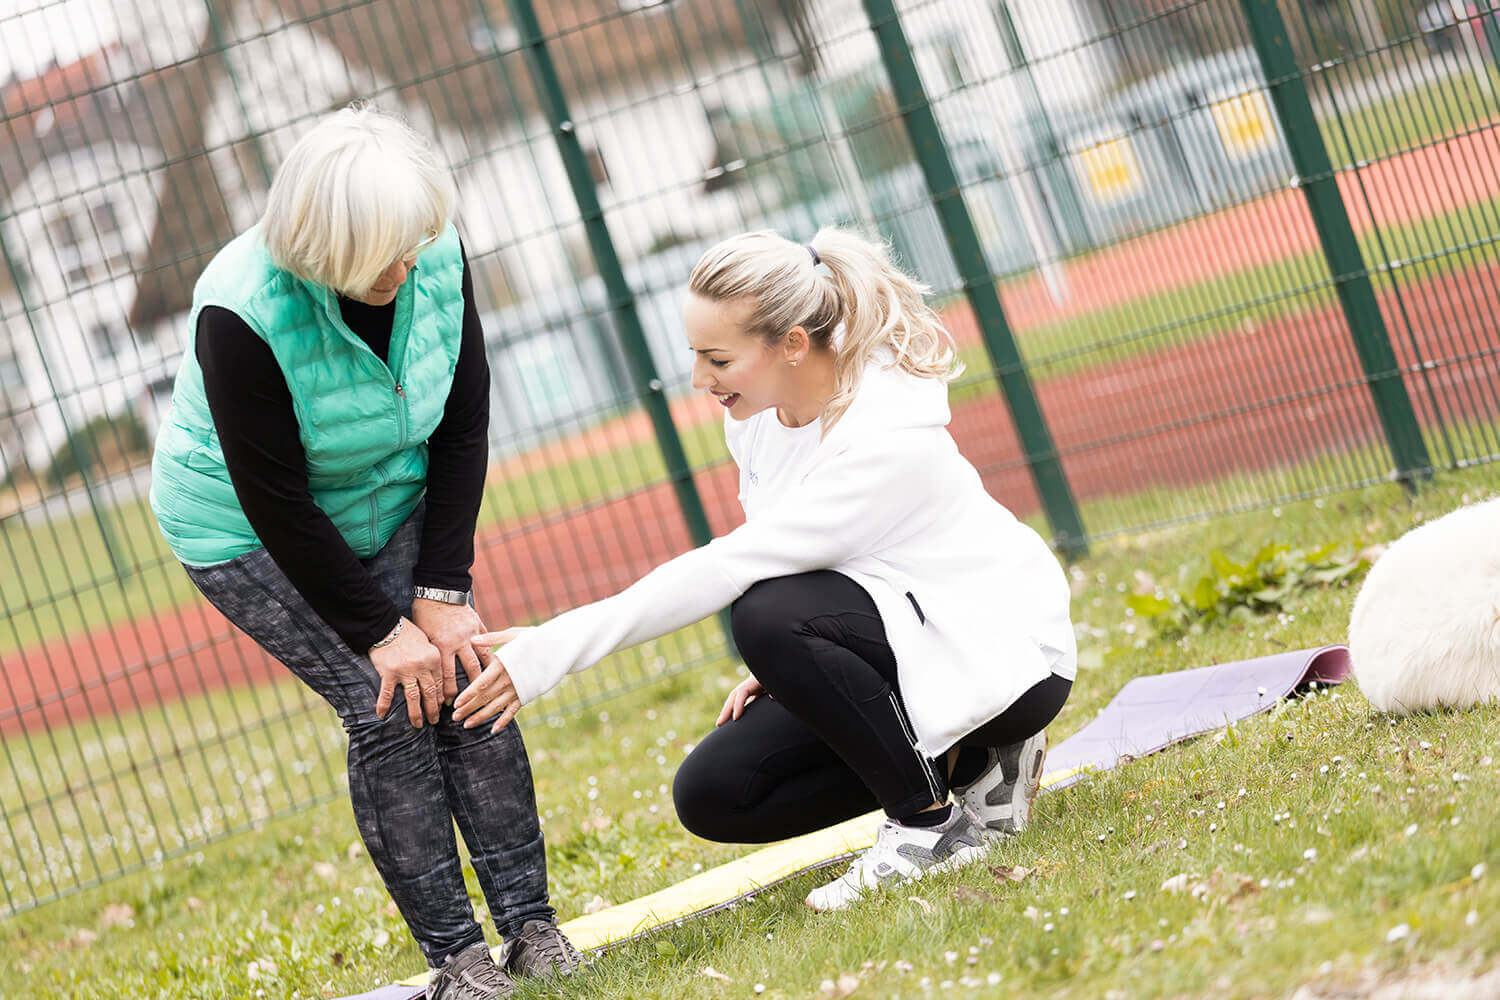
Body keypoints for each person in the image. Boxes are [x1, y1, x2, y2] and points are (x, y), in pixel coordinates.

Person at [452, 227, 1077, 912]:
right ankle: (980, 761)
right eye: (694, 354)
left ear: (792, 343)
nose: (699, 379)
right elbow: (803, 558)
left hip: (1008, 656)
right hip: (912, 631)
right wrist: (809, 661)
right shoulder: (756, 417)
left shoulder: (884, 439)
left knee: (765, 614)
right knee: (718, 793)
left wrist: (550, 650)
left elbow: (738, 570)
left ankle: (928, 826)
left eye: (717, 357)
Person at [149, 105, 581, 997]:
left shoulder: (433, 254)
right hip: (248, 526)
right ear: (326, 245)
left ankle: (534, 929)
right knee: (387, 706)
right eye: (385, 251)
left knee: (465, 678)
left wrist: (441, 587)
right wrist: (379, 630)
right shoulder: (242, 312)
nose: (408, 263)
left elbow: (463, 425)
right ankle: (460, 962)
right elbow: (276, 502)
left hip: (389, 490)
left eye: (416, 240)